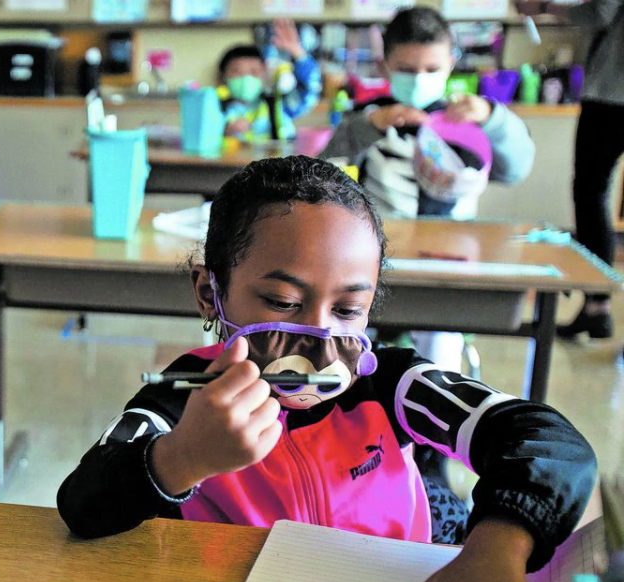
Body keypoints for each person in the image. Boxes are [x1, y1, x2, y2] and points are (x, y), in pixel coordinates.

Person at [57, 156, 596, 582]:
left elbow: (550, 444)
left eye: (346, 311)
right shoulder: (184, 399)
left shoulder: (391, 384)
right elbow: (83, 504)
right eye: (283, 302)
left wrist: (499, 542)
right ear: (209, 292)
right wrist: (182, 457)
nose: (317, 345)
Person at [321, 6, 536, 372]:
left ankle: (432, 414)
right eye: (406, 69)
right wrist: (369, 124)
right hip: (376, 258)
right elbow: (325, 171)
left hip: (451, 263)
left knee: (440, 344)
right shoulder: (369, 115)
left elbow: (515, 169)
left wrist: (492, 117)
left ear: (451, 63)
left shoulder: (469, 120)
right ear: (385, 64)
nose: (419, 79)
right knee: (350, 338)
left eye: (431, 69)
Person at [517, 0, 623, 341]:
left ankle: (597, 307)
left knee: (591, 192)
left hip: (613, 93)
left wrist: (543, 6)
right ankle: (596, 309)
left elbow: (598, 13)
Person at [217, 19, 323, 143]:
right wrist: (225, 130)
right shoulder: (217, 107)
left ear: (264, 74)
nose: (246, 78)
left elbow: (311, 90)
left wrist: (298, 54)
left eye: (254, 72)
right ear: (223, 77)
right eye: (237, 72)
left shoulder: (279, 104)